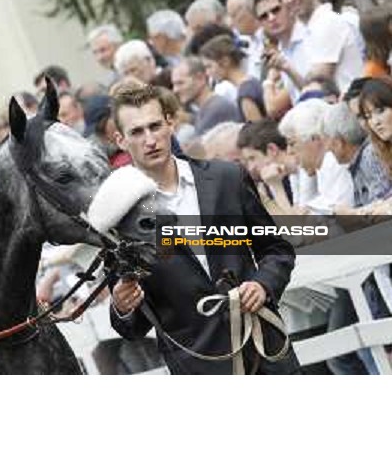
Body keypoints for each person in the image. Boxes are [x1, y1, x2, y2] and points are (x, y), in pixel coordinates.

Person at [107, 84, 300, 374]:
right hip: (199, 366)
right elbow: (132, 325)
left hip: (266, 351)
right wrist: (123, 306)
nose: (150, 140)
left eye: (155, 126)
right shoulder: (121, 218)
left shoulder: (227, 178)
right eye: (137, 132)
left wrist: (263, 284)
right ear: (120, 140)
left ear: (170, 123)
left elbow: (276, 250)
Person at [276, 0, 363, 93]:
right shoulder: (310, 28)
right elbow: (310, 86)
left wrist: (312, 75)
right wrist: (287, 68)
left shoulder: (327, 21)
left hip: (352, 102)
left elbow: (320, 79)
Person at [199, 34, 266, 122]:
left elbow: (258, 129)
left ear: (225, 61)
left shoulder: (246, 91)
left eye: (209, 66)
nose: (207, 73)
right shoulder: (248, 83)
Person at [171, 57, 240, 136]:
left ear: (201, 78)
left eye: (180, 83)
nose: (175, 90)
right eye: (174, 84)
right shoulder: (207, 108)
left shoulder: (217, 108)